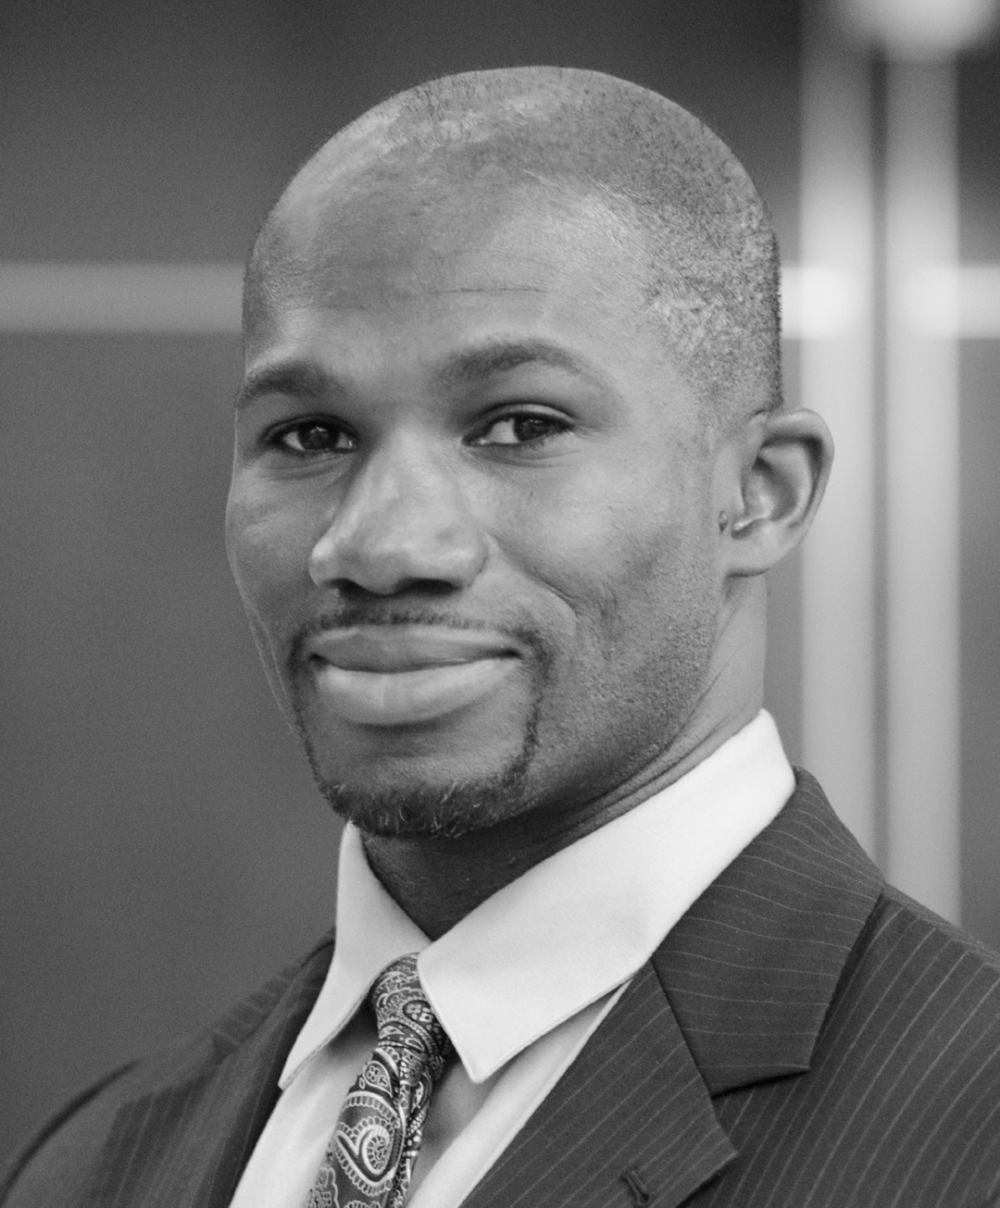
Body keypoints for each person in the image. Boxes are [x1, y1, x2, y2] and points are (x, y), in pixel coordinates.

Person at [4, 65, 1000, 1208]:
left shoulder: (966, 1133)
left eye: (518, 425)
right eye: (310, 433)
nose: (376, 543)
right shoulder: (91, 1165)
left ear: (759, 495)